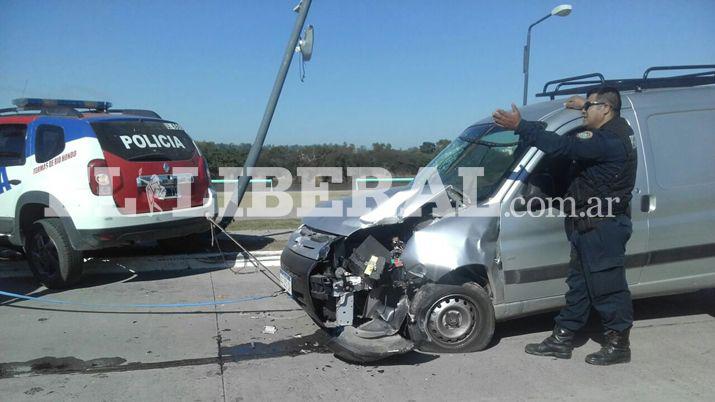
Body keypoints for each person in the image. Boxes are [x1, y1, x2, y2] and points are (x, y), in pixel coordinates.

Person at [492, 86, 637, 366]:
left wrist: (521, 126)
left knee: (608, 287)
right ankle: (562, 339)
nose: (584, 111)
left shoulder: (606, 140)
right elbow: (593, 117)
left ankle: (619, 344)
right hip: (589, 225)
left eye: (590, 107)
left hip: (602, 227)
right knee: (579, 287)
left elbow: (564, 146)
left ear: (605, 109)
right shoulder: (618, 126)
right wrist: (586, 104)